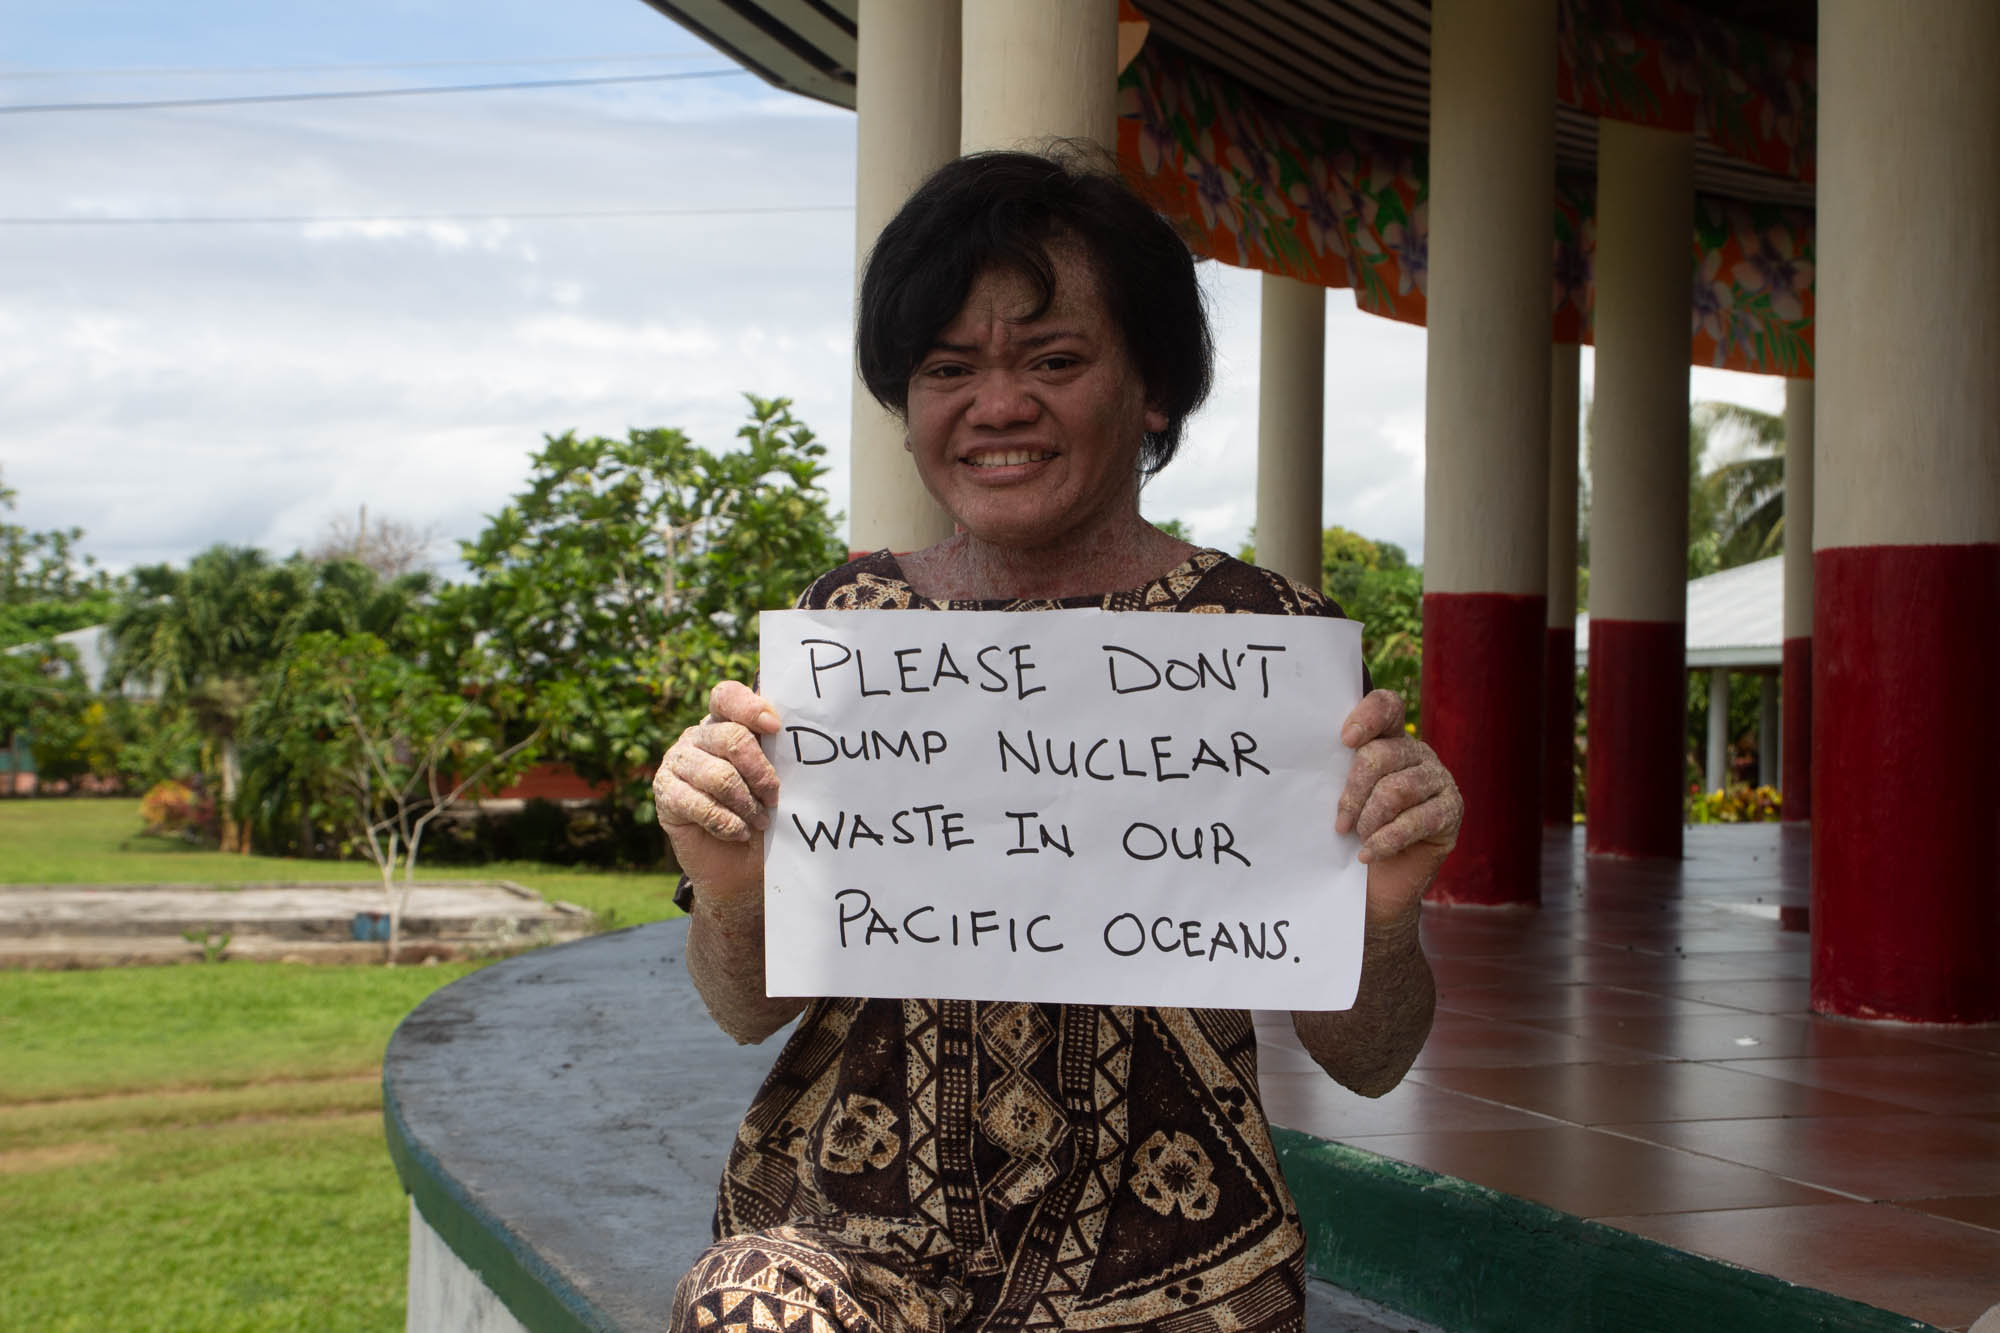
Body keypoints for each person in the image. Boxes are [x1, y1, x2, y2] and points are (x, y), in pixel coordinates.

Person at [653, 146, 1462, 1333]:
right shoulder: (850, 632)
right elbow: (744, 1008)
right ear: (908, 399)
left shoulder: (1265, 649)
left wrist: (1380, 914)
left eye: (1054, 358)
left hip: (1174, 1264)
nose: (996, 406)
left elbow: (1370, 1056)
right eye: (947, 368)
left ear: (1151, 391)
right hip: (847, 1243)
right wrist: (726, 884)